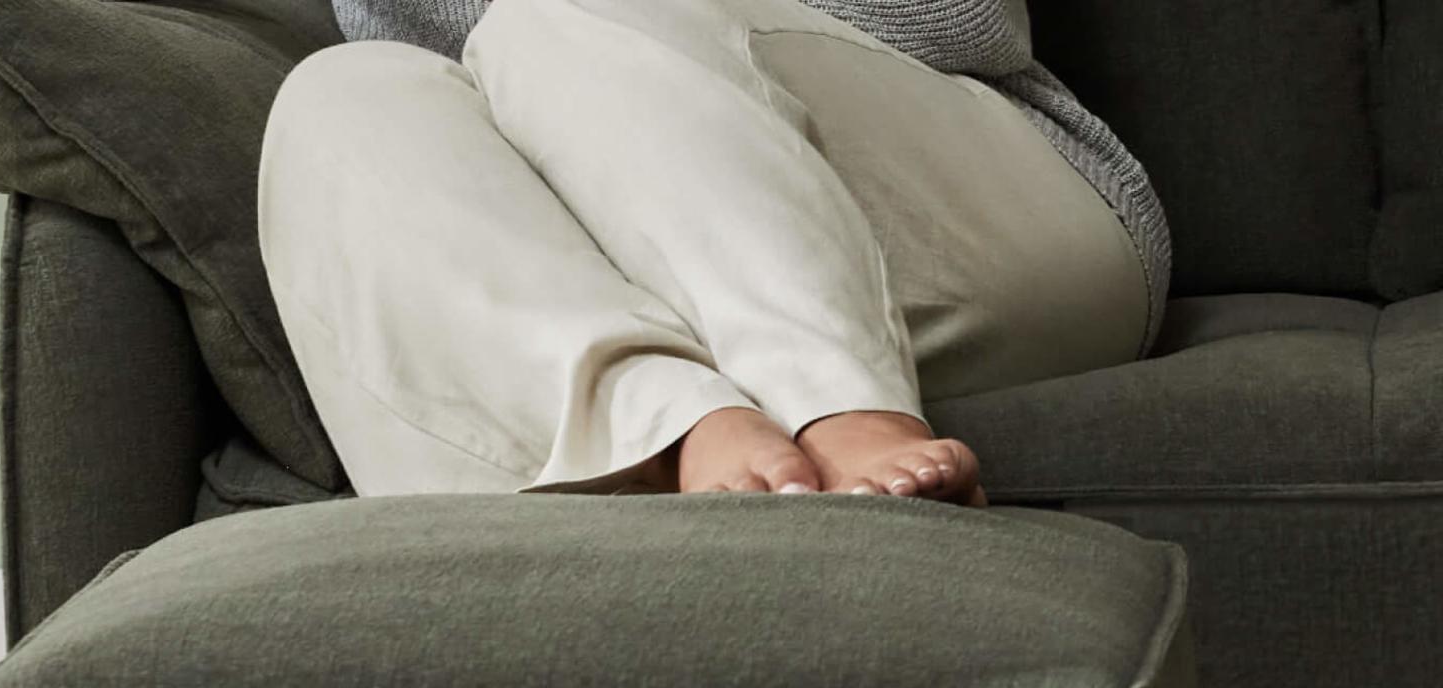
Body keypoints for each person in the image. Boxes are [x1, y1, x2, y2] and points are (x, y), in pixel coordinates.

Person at [258, 0, 1168, 504]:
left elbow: (969, 24)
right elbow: (433, 64)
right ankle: (668, 426)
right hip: (646, 250)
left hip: (968, 206)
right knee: (340, 96)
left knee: (558, 12)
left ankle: (840, 404)